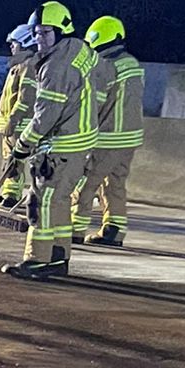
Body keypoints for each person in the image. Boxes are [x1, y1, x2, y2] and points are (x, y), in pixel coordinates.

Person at [2, 0, 99, 281]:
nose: (38, 39)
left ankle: (37, 259)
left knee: (41, 202)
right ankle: (58, 257)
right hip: (79, 143)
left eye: (45, 33)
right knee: (58, 202)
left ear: (61, 31)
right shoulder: (80, 50)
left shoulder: (55, 66)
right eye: (35, 33)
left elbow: (44, 116)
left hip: (62, 145)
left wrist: (21, 148)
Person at [71, 15, 144, 247]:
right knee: (114, 183)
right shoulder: (132, 63)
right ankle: (114, 229)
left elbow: (95, 103)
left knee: (84, 182)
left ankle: (73, 230)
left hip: (107, 137)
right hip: (130, 138)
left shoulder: (105, 66)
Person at [0, 23, 39, 206]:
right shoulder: (18, 66)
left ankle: (12, 196)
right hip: (10, 122)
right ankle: (8, 192)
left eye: (15, 43)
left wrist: (13, 119)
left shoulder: (28, 66)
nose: (12, 47)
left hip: (19, 124)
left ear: (25, 43)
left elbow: (26, 97)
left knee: (16, 161)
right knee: (8, 159)